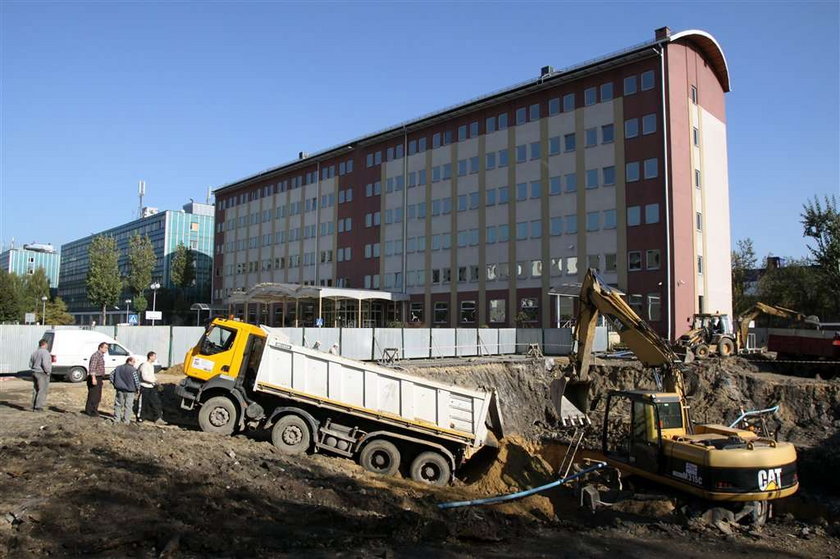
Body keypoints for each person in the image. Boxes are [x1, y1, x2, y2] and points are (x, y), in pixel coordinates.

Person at [138, 352, 165, 424]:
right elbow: (144, 377)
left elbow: (152, 376)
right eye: (154, 356)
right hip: (145, 387)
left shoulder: (151, 366)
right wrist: (153, 381)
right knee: (144, 403)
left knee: (155, 402)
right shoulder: (144, 365)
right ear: (150, 357)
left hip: (151, 387)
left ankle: (157, 418)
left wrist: (156, 381)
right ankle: (141, 418)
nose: (155, 358)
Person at [112, 357, 140, 424]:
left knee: (118, 404)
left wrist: (114, 383)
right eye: (133, 362)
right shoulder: (133, 370)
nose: (134, 363)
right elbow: (136, 380)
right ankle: (126, 421)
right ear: (129, 361)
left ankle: (116, 419)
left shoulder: (118, 368)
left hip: (119, 389)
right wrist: (138, 388)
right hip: (130, 391)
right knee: (128, 406)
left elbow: (111, 375)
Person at [84, 342, 108, 417]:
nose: (106, 349)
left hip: (99, 377)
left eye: (107, 348)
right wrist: (93, 378)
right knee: (93, 395)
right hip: (95, 377)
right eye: (105, 347)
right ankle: (90, 411)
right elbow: (92, 368)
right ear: (100, 347)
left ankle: (94, 409)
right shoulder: (96, 356)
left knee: (97, 395)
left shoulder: (101, 356)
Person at [29, 339, 52, 412]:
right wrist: (48, 371)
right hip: (42, 373)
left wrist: (34, 368)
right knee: (42, 390)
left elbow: (30, 364)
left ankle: (33, 405)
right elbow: (45, 363)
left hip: (34, 372)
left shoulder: (34, 352)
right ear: (45, 344)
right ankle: (38, 407)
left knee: (36, 389)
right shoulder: (45, 352)